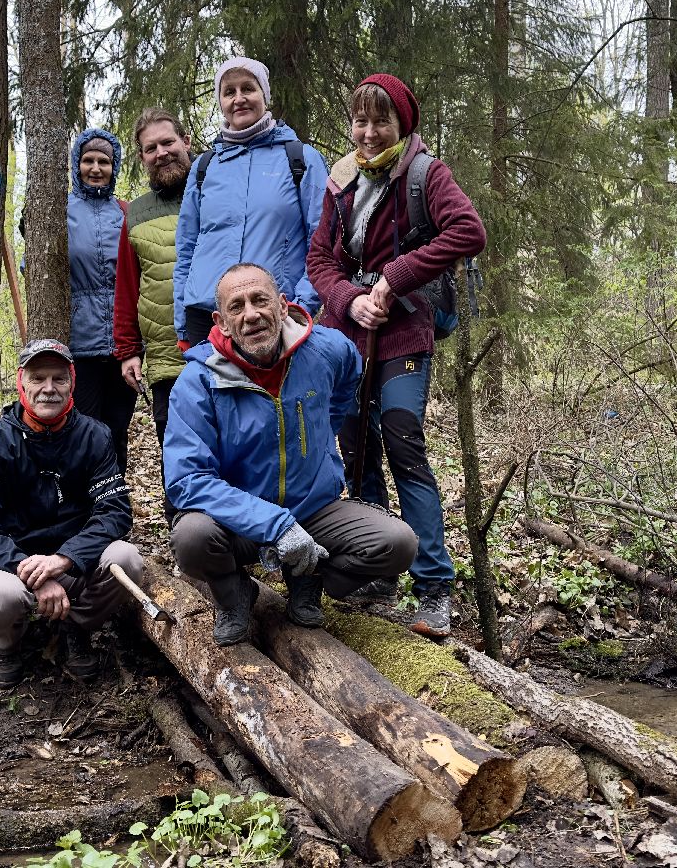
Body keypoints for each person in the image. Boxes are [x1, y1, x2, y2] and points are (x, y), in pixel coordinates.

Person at [307, 74, 486, 638]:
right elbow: (319, 260)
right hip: (347, 336)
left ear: (401, 123)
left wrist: (392, 278)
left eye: (379, 121)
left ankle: (434, 588)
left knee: (403, 437)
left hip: (406, 330)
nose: (367, 131)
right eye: (359, 121)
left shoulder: (425, 175)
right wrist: (351, 300)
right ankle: (379, 572)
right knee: (355, 449)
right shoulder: (341, 180)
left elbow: (468, 231)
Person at [163, 262, 418, 646]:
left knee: (398, 544)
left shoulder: (326, 350)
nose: (251, 315)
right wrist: (275, 525)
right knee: (192, 537)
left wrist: (323, 430)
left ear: (283, 306)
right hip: (241, 520)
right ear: (221, 321)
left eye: (260, 300)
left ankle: (309, 576)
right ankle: (235, 594)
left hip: (315, 508)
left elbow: (350, 372)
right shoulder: (197, 382)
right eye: (237, 307)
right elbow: (186, 481)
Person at [0, 339, 143, 688]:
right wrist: (32, 573)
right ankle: (7, 645)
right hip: (11, 565)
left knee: (127, 559)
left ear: (72, 381)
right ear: (21, 382)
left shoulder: (95, 436)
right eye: (38, 378)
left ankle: (75, 627)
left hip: (74, 560)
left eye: (59, 378)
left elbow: (115, 513)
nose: (48, 389)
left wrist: (64, 559)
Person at [171, 56, 327, 347]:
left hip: (272, 311)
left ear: (264, 94)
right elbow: (187, 248)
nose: (239, 98)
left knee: (268, 394)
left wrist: (300, 306)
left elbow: (322, 241)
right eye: (229, 92)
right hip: (207, 314)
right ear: (221, 101)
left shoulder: (301, 159)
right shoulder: (204, 166)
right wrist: (182, 321)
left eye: (248, 88)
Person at [112, 108, 194, 442]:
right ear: (142, 157)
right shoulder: (136, 214)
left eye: (167, 142)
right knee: (177, 461)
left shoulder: (217, 192)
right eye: (151, 148)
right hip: (166, 362)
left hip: (228, 355)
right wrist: (129, 350)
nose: (161, 153)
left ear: (185, 142)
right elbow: (127, 288)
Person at [67, 128, 135, 472]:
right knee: (83, 428)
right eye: (88, 160)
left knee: (117, 429)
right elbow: (34, 267)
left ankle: (115, 507)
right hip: (80, 344)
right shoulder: (61, 213)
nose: (96, 168)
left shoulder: (125, 212)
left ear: (114, 167)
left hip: (122, 344)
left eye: (104, 162)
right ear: (76, 165)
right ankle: (83, 511)